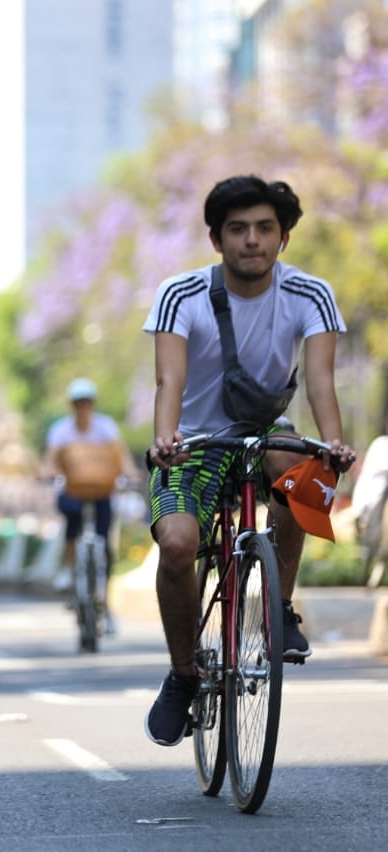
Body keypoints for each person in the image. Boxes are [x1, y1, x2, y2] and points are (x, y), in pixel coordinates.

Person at [142, 176, 356, 747]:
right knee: (180, 545)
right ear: (216, 239)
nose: (252, 241)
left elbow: (320, 382)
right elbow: (169, 379)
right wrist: (166, 438)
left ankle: (280, 609)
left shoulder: (310, 295)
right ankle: (183, 675)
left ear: (283, 238)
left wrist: (332, 445)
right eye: (237, 229)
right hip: (193, 442)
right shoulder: (180, 294)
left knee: (302, 470)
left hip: (264, 432)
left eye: (265, 228)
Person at [42, 377, 141, 629]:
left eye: (86, 402)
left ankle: (104, 600)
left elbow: (121, 456)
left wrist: (130, 473)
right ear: (72, 405)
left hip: (102, 492)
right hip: (72, 490)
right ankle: (69, 567)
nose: (82, 407)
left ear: (92, 404)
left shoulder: (105, 428)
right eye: (78, 403)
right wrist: (49, 473)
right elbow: (51, 459)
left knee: (104, 541)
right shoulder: (61, 431)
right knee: (72, 519)